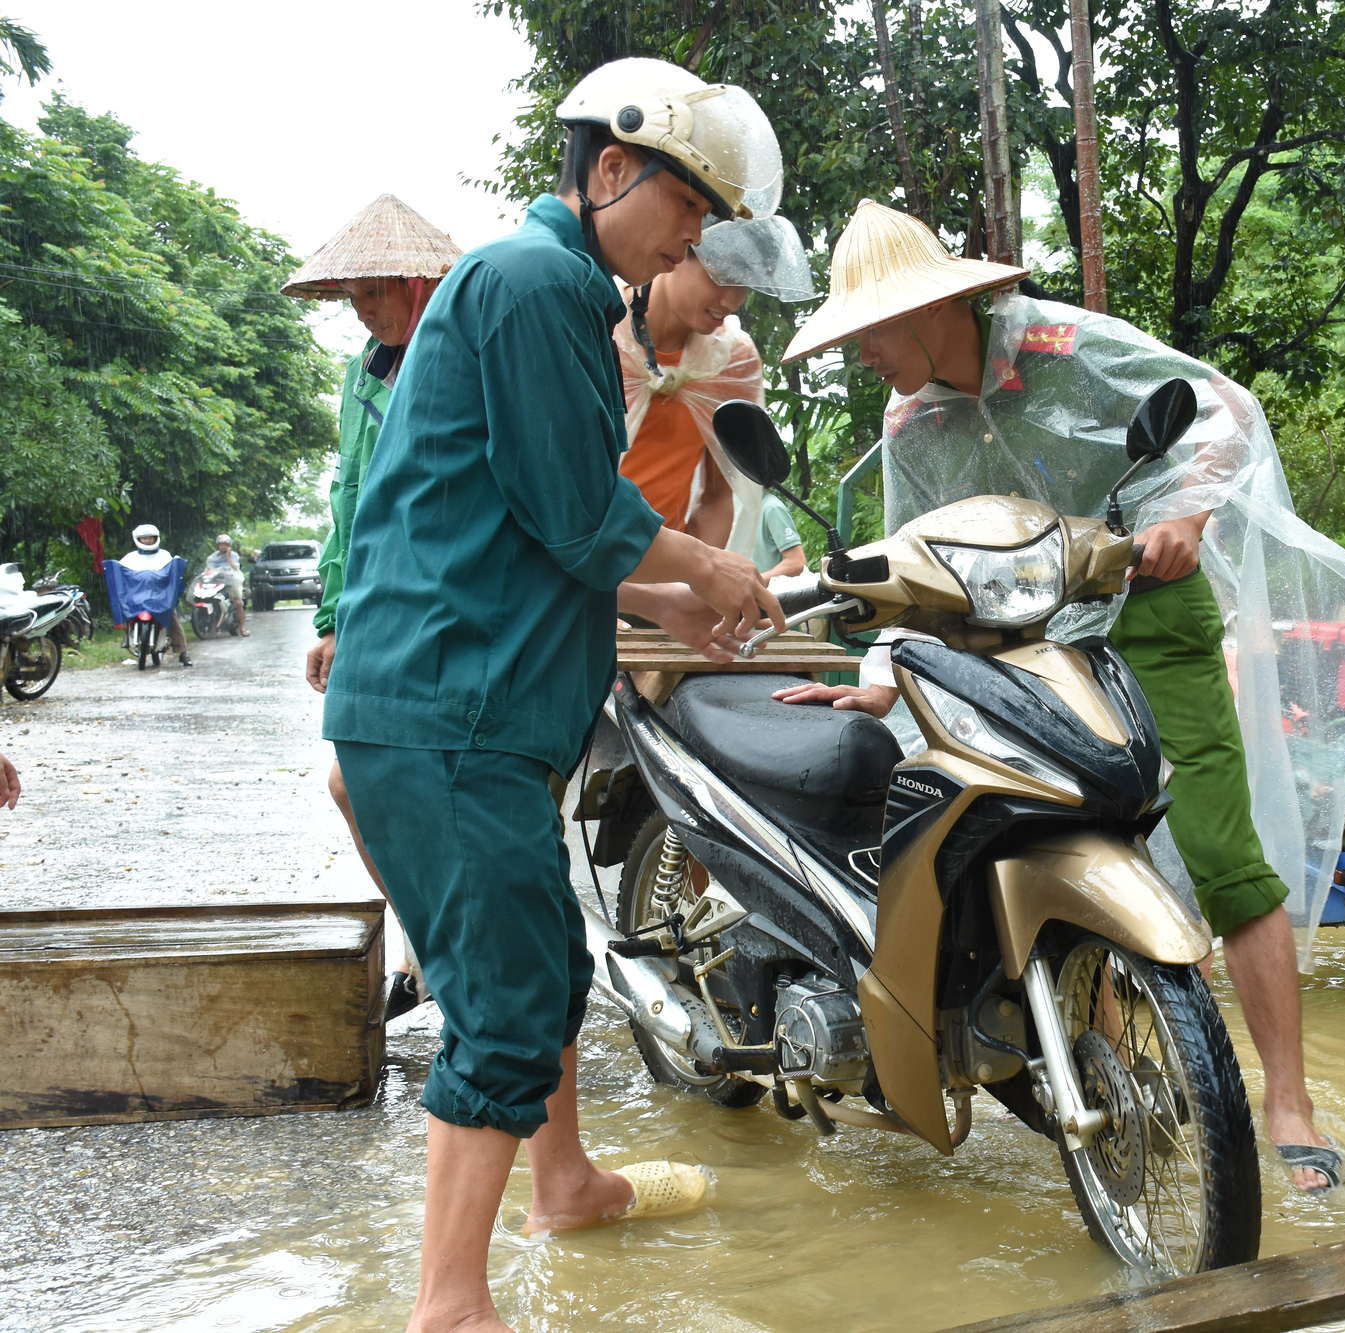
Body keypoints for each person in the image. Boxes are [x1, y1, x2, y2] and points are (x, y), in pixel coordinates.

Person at [773, 200, 1345, 1196]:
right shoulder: (908, 423)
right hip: (1010, 649)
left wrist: (1187, 512)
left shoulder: (1062, 345)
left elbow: (1222, 408)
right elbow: (905, 570)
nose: (861, 359)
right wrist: (877, 678)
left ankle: (1287, 1101)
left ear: (929, 309)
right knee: (1027, 843)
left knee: (1220, 855)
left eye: (869, 335)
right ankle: (1112, 1081)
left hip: (1144, 613)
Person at [320, 57, 786, 1333]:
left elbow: (537, 534)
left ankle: (565, 1185)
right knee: (510, 1002)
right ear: (617, 168)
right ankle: (452, 1306)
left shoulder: (559, 293)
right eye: (691, 206)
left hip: (455, 705)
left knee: (532, 971)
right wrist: (709, 566)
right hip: (451, 708)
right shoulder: (534, 285)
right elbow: (582, 518)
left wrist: (680, 600)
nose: (697, 233)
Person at [284, 194, 462, 1020]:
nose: (363, 312)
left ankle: (449, 954)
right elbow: (345, 499)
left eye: (375, 294)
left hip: (442, 611)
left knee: (396, 785)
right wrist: (329, 616)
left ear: (417, 283)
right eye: (353, 299)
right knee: (352, 783)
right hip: (375, 614)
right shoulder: (363, 372)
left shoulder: (457, 358)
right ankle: (427, 947)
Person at [614, 214, 814, 554]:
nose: (733, 298)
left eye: (746, 281)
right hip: (575, 566)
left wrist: (692, 581)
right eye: (722, 275)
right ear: (679, 249)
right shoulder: (598, 329)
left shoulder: (732, 359)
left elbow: (718, 493)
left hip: (667, 569)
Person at [118, 524, 191, 667]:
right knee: (125, 612)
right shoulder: (129, 558)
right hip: (137, 597)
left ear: (156, 539)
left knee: (173, 617)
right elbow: (121, 576)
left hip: (160, 597)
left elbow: (172, 575)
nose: (147, 541)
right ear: (137, 539)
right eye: (144, 538)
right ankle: (128, 636)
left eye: (150, 538)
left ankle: (183, 652)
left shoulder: (164, 556)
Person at [751, 490, 805, 577]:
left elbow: (797, 562)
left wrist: (755, 582)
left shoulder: (772, 508)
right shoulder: (742, 511)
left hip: (768, 589)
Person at [204, 534, 248, 636]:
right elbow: (209, 569)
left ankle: (242, 627)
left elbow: (235, 567)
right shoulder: (212, 558)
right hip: (216, 582)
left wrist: (228, 557)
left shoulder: (234, 556)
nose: (223, 546)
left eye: (225, 544)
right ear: (218, 545)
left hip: (231, 581)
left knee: (237, 602)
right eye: (221, 544)